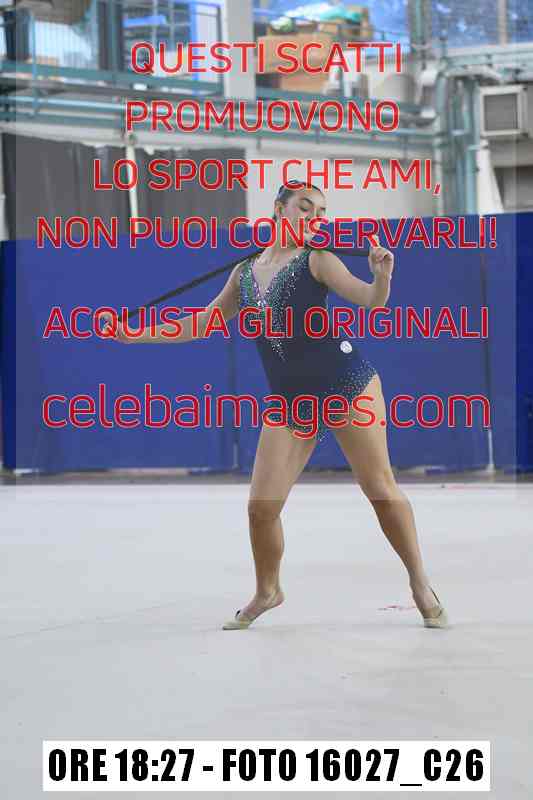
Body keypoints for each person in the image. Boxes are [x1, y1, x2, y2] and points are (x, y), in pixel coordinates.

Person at [103, 181, 448, 631]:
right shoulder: (244, 273)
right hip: (290, 400)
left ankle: (420, 582)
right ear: (278, 209)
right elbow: (203, 321)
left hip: (346, 384)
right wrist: (136, 334)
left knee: (380, 489)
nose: (314, 218)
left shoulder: (318, 260)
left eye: (321, 212)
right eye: (305, 207)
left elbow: (370, 300)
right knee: (261, 508)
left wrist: (382, 276)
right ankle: (268, 590)